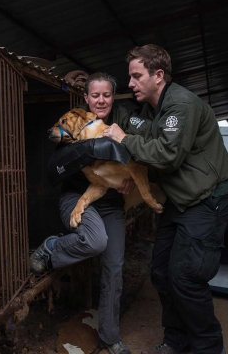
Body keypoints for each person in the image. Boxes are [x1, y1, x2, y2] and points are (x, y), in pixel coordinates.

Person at [103, 45, 228, 354]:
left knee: (186, 277)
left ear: (158, 75)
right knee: (162, 273)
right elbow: (146, 143)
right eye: (130, 77)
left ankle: (207, 347)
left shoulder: (181, 105)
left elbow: (168, 156)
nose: (131, 83)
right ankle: (176, 341)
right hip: (180, 198)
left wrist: (123, 138)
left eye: (137, 76)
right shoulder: (151, 108)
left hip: (206, 198)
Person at [30, 72, 147, 354]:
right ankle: (52, 247)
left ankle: (109, 336)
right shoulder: (72, 120)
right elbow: (55, 167)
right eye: (95, 95)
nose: (101, 100)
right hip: (74, 197)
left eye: (106, 94)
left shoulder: (120, 123)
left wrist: (128, 175)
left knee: (114, 270)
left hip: (110, 205)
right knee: (96, 241)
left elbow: (139, 157)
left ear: (112, 96)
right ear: (86, 97)